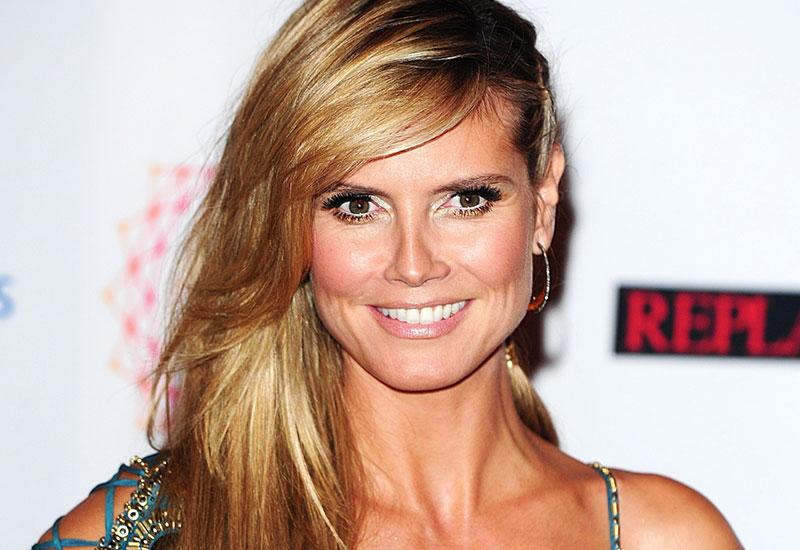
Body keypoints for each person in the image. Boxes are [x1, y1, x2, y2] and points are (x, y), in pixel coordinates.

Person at [34, 0, 743, 549]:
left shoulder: (664, 537)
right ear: (290, 227)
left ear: (543, 201)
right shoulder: (147, 532)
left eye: (467, 200)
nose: (413, 264)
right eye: (356, 205)